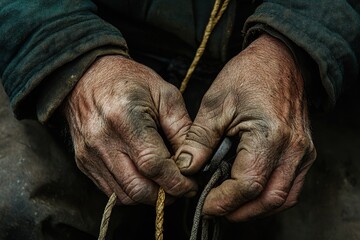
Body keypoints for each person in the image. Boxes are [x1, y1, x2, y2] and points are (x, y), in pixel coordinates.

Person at [0, 0, 359, 239]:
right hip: (85, 37)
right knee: (16, 203)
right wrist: (67, 54)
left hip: (301, 63)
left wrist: (296, 49)